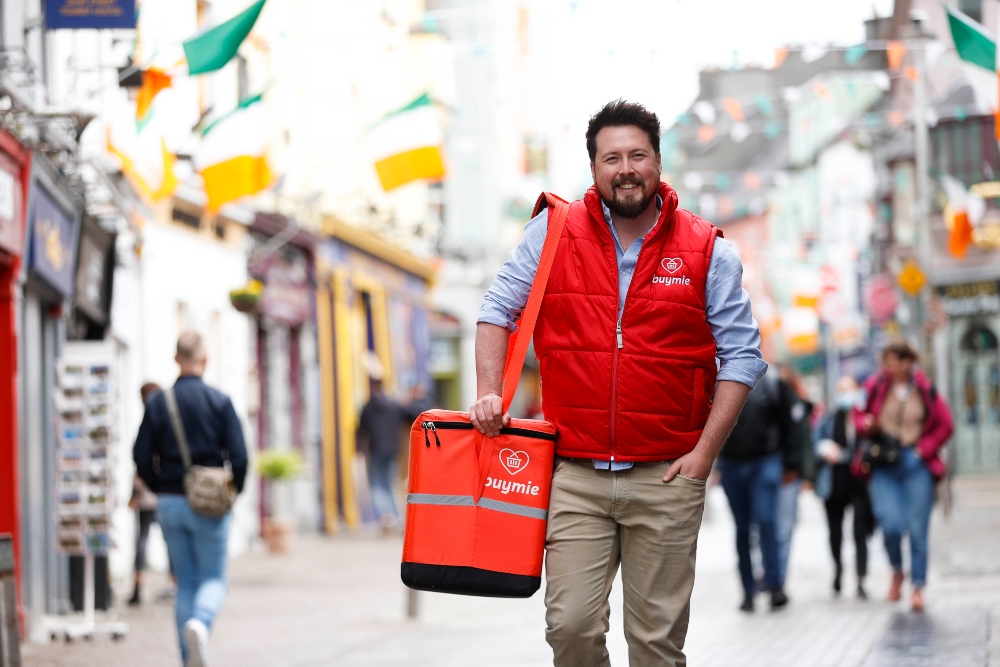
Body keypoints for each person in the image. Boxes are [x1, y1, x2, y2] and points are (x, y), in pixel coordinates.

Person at [472, 100, 766, 666]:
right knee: (571, 629)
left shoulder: (707, 249)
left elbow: (742, 357)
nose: (625, 168)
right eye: (612, 158)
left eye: (637, 155)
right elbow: (496, 308)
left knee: (656, 644)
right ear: (594, 168)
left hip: (667, 476)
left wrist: (703, 457)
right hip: (573, 474)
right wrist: (489, 391)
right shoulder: (553, 232)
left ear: (658, 161)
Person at [134, 332, 248, 667]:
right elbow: (240, 457)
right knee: (214, 578)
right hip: (210, 504)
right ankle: (200, 622)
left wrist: (161, 487)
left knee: (184, 581)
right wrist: (232, 492)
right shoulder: (219, 401)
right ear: (205, 359)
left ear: (176, 359)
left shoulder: (158, 402)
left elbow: (140, 454)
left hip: (169, 502)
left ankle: (189, 660)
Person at [856, 339, 953, 612]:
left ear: (909, 361)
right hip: (884, 464)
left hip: (914, 463)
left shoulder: (924, 388)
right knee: (890, 525)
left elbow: (946, 424)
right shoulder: (874, 387)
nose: (893, 366)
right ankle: (897, 569)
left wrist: (925, 449)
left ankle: (918, 586)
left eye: (898, 360)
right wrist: (866, 424)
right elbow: (857, 416)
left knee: (918, 529)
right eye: (888, 361)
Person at [716, 366, 797, 612]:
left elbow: (789, 425)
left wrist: (791, 463)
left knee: (766, 521)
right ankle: (748, 591)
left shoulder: (772, 382)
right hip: (731, 464)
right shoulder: (718, 379)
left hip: (765, 461)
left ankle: (775, 586)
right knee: (742, 528)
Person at [814, 376, 874, 599]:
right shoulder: (828, 418)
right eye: (841, 389)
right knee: (835, 533)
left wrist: (848, 455)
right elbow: (815, 441)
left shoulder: (865, 418)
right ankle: (838, 569)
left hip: (859, 482)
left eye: (849, 389)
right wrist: (824, 450)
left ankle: (861, 578)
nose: (845, 394)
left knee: (860, 531)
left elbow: (871, 444)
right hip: (834, 483)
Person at [774, 365, 814, 599]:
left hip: (789, 473)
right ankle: (772, 572)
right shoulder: (762, 404)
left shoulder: (799, 407)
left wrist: (806, 473)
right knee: (769, 527)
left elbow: (804, 442)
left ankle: (779, 577)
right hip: (769, 469)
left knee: (784, 528)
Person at [356, 355, 409, 533]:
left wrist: (359, 451)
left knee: (376, 485)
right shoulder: (394, 405)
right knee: (389, 482)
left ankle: (387, 515)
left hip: (375, 450)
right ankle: (394, 516)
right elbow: (414, 413)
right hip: (393, 449)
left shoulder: (368, 407)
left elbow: (361, 430)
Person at [128, 382, 163, 606]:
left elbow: (140, 457)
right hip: (163, 493)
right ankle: (175, 584)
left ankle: (138, 587)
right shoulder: (166, 420)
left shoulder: (147, 424)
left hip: (146, 492)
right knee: (170, 540)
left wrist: (139, 490)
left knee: (141, 539)